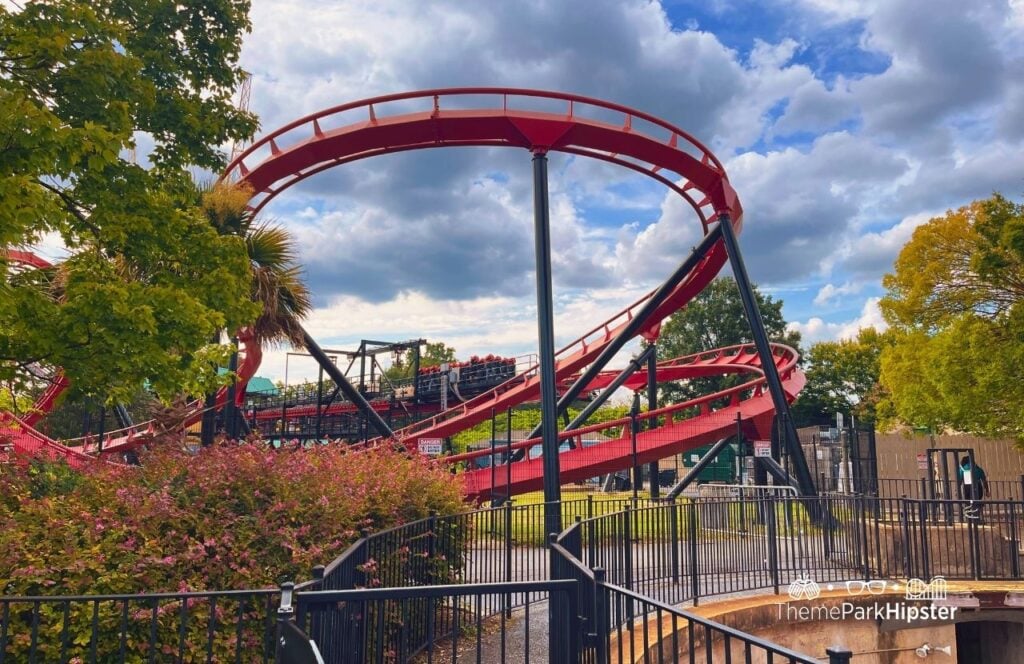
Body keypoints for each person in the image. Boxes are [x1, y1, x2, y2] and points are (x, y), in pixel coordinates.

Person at [958, 456, 988, 520]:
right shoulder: (978, 469)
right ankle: (978, 518)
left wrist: (956, 490)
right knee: (977, 502)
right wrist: (987, 490)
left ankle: (969, 518)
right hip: (978, 487)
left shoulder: (962, 469)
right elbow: (984, 480)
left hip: (967, 487)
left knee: (968, 502)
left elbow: (959, 481)